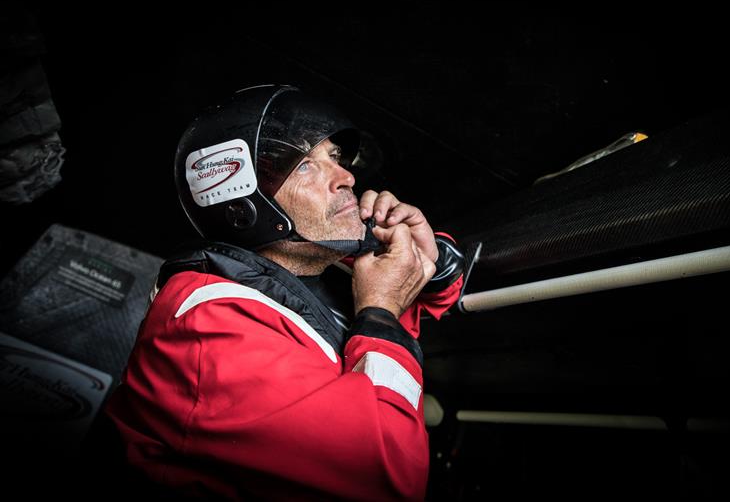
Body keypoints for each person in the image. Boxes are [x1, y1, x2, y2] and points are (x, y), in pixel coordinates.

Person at [102, 84, 465, 500]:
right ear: (244, 206)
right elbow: (387, 476)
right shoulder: (208, 329)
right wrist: (380, 310)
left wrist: (428, 264)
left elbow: (408, 315)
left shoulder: (318, 269)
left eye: (333, 158)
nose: (347, 177)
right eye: (305, 167)